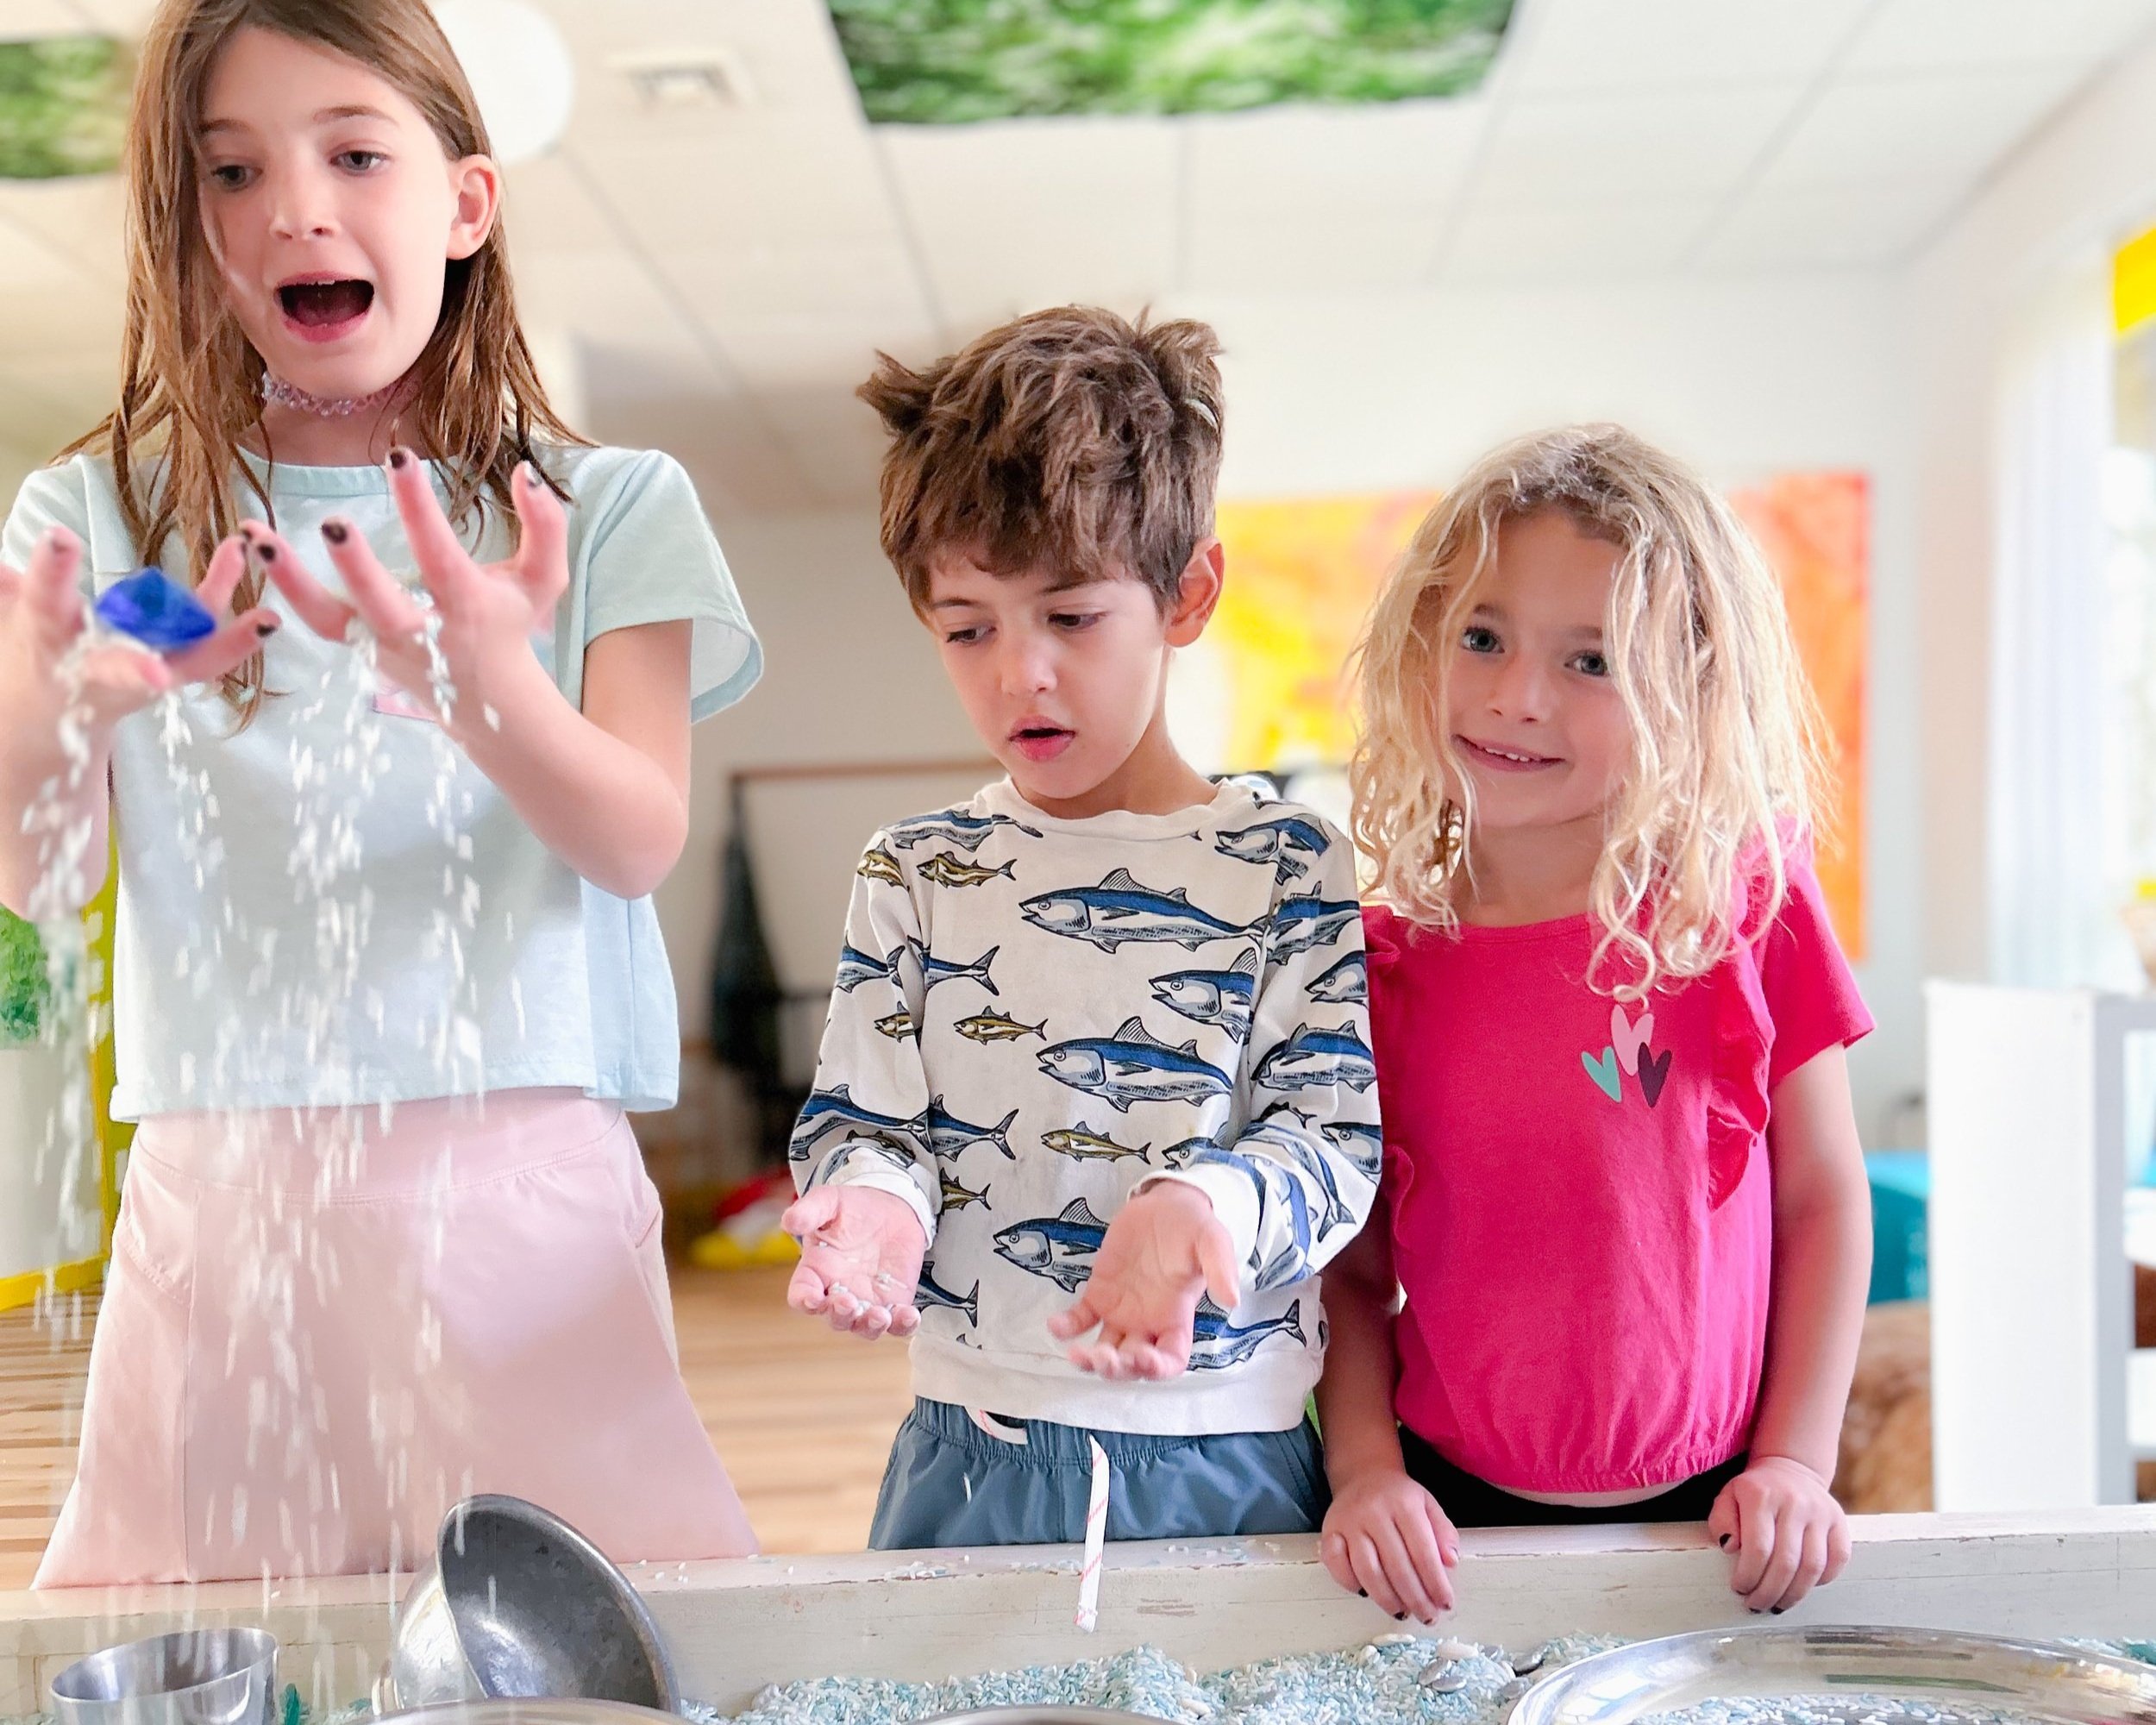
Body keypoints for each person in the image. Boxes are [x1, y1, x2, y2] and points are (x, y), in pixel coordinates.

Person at [0, 0, 761, 1584]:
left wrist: (486, 690)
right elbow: (29, 864)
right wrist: (81, 704)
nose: (295, 208)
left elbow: (635, 834)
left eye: (355, 151)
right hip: (228, 1185)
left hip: (525, 1182)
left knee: (583, 1644)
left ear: (466, 204)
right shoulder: (98, 515)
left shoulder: (604, 503)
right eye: (229, 171)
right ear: (185, 225)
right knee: (195, 1647)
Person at [1318, 425, 1872, 1619]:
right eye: (1482, 638)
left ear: (1691, 686)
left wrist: (1797, 1462)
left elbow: (1823, 1198)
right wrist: (1363, 1473)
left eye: (1592, 661)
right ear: (1421, 645)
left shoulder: (1749, 908)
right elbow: (1350, 1274)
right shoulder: (1379, 968)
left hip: (1722, 1523)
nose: (1518, 697)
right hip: (1448, 1531)